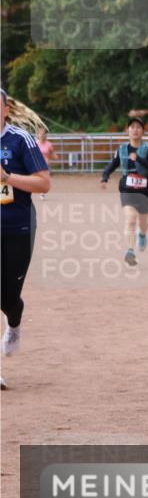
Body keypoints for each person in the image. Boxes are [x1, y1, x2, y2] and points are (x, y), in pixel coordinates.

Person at [1, 90, 52, 390]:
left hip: (18, 227)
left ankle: (15, 322)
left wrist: (7, 178)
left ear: (5, 109)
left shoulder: (21, 140)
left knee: (8, 296)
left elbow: (44, 182)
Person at [101, 118, 148, 266]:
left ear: (142, 131)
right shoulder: (122, 149)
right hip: (127, 189)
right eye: (132, 127)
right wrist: (105, 176)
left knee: (143, 223)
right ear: (127, 131)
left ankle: (142, 234)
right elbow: (113, 164)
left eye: (138, 127)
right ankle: (130, 251)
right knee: (130, 219)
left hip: (145, 191)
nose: (135, 129)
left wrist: (140, 159)